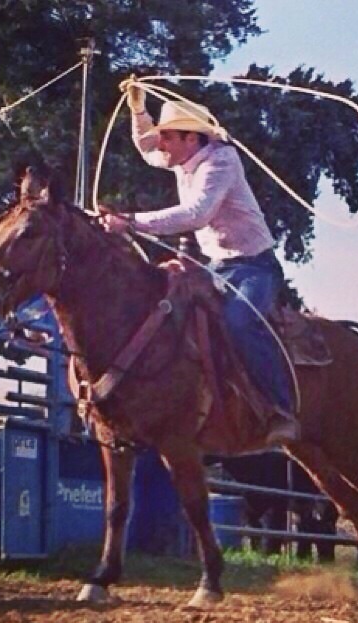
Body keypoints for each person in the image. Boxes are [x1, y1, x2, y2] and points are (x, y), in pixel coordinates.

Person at [102, 79, 300, 446]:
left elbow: (197, 214)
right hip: (216, 266)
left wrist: (130, 221)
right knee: (168, 314)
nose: (161, 144)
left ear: (191, 139)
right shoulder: (182, 156)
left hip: (255, 266)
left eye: (169, 137)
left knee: (241, 322)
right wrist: (138, 110)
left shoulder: (222, 162)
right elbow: (146, 146)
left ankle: (280, 408)